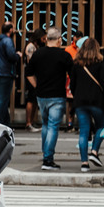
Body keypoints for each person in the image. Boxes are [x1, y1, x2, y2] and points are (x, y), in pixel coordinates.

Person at [28, 27, 74, 170]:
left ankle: (45, 154)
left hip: (42, 95)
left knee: (46, 125)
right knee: (53, 126)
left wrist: (37, 86)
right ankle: (48, 159)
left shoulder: (38, 54)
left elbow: (28, 73)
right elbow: (73, 75)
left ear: (47, 39)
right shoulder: (64, 55)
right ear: (59, 39)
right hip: (57, 95)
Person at [69, 38, 104, 173]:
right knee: (102, 127)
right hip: (97, 101)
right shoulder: (100, 63)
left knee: (84, 132)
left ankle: (84, 163)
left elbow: (72, 84)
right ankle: (94, 151)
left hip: (80, 102)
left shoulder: (76, 63)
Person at [0, 21, 21, 126]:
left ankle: (5, 123)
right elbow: (11, 56)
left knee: (2, 98)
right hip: (5, 73)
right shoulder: (7, 41)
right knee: (3, 99)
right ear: (10, 30)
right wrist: (18, 55)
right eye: (13, 28)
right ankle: (0, 123)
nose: (15, 30)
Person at [23, 31, 41, 131]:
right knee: (31, 99)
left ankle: (31, 122)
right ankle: (28, 123)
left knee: (33, 99)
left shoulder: (32, 46)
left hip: (33, 75)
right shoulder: (30, 47)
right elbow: (31, 62)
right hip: (32, 76)